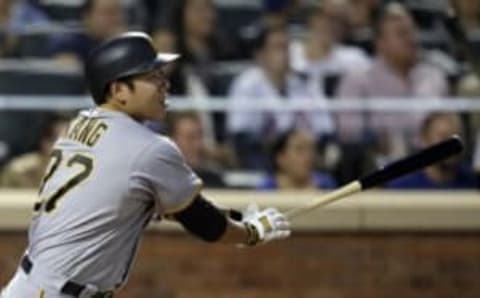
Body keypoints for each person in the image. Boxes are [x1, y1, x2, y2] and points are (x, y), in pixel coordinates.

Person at [0, 32, 290, 297]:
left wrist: (236, 217)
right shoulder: (150, 149)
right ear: (118, 90)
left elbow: (157, 205)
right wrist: (250, 232)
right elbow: (205, 224)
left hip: (31, 285)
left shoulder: (81, 122)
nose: (165, 83)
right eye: (151, 77)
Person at [335, 3, 449, 167]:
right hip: (379, 167)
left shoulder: (434, 76)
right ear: (380, 43)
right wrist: (379, 140)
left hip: (430, 164)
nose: (411, 39)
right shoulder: (357, 79)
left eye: (412, 31)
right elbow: (349, 133)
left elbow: (448, 125)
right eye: (402, 34)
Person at [227, 25, 335, 169]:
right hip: (266, 155)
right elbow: (240, 133)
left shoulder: (305, 82)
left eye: (287, 47)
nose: (285, 53)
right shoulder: (247, 84)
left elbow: (325, 129)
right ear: (260, 54)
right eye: (278, 47)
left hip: (303, 153)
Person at [387, 112, 477, 189]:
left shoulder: (472, 183)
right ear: (424, 139)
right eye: (443, 137)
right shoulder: (402, 187)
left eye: (458, 137)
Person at [46, 0, 127, 67]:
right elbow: (70, 77)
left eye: (119, 13)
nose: (116, 19)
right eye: (108, 13)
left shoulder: (128, 43)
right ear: (86, 16)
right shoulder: (67, 42)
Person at [0, 114, 69, 188]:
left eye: (69, 142)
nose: (63, 149)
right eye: (54, 140)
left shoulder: (77, 170)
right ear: (43, 142)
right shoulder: (19, 170)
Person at [258, 129, 337, 190]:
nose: (309, 156)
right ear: (281, 158)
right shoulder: (266, 189)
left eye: (311, 149)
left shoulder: (326, 185)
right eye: (300, 150)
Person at [167, 112, 226, 188]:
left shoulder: (213, 179)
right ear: (172, 141)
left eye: (199, 137)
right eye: (190, 138)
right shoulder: (158, 180)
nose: (197, 144)